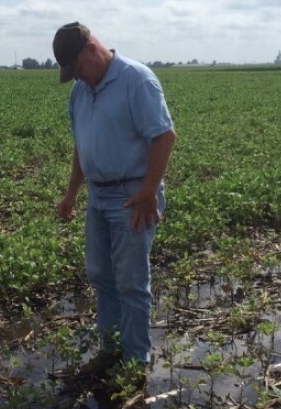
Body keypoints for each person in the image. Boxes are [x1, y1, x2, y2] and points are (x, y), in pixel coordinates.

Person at [52, 22, 176, 385]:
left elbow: (164, 137)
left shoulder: (136, 80)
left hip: (132, 197)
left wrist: (150, 191)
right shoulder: (80, 93)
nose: (78, 78)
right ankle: (111, 349)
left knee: (131, 282)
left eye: (77, 69)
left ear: (92, 48)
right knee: (101, 276)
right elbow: (81, 146)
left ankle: (136, 361)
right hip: (98, 196)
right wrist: (71, 193)